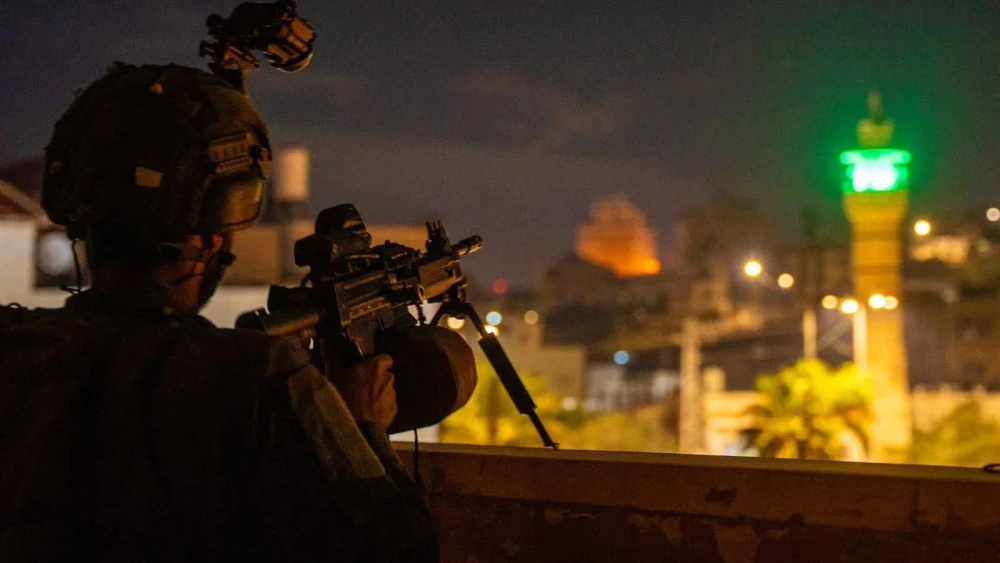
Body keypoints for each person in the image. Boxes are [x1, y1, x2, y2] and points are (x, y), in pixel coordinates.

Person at [0, 62, 461, 562]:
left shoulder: (17, 349)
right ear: (216, 231)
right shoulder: (258, 379)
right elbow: (402, 551)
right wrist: (363, 426)